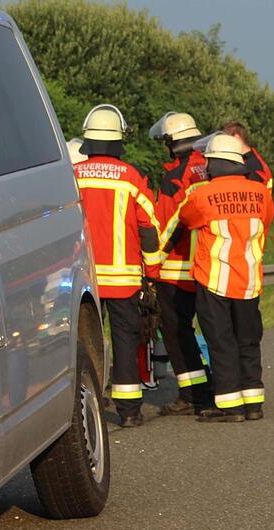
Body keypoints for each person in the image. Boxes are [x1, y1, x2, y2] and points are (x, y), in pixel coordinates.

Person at [162, 134, 274, 423]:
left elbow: (183, 220)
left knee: (221, 341)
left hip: (214, 281)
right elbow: (266, 221)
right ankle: (253, 403)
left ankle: (228, 405)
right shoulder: (261, 193)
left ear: (214, 163)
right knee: (248, 340)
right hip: (249, 280)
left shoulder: (202, 195)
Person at [74, 104, 161, 427]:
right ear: (118, 140)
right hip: (123, 281)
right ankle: (129, 412)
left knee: (85, 345)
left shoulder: (74, 176)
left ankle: (87, 412)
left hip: (84, 280)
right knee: (126, 342)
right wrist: (152, 273)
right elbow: (149, 227)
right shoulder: (131, 178)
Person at [149, 111, 213, 416]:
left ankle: (191, 393)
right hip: (212, 265)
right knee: (216, 329)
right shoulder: (211, 167)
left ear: (170, 142)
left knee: (176, 331)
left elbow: (166, 224)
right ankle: (221, 387)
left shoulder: (174, 178)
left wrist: (151, 263)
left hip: (177, 269)